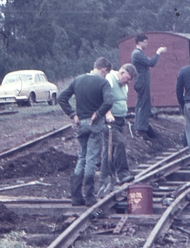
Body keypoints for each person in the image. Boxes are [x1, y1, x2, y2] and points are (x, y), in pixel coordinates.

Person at [58, 57, 114, 206]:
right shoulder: (103, 82)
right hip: (95, 124)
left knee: (81, 157)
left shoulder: (78, 80)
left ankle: (76, 196)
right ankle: (89, 197)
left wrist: (72, 114)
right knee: (91, 159)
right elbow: (109, 101)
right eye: (106, 73)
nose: (105, 76)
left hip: (81, 123)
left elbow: (62, 98)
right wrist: (99, 114)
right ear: (103, 69)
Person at [98, 63, 138, 197]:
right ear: (121, 73)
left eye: (130, 79)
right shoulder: (110, 80)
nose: (129, 82)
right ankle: (122, 173)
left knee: (108, 150)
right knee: (120, 143)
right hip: (110, 120)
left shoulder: (123, 85)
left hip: (120, 121)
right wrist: (107, 113)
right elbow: (103, 98)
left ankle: (105, 179)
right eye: (127, 78)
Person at [131, 34, 167, 140]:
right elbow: (151, 63)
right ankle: (141, 129)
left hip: (141, 82)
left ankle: (140, 127)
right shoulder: (137, 54)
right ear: (139, 42)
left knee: (141, 104)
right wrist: (158, 53)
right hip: (142, 82)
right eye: (145, 42)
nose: (147, 44)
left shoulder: (138, 53)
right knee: (143, 105)